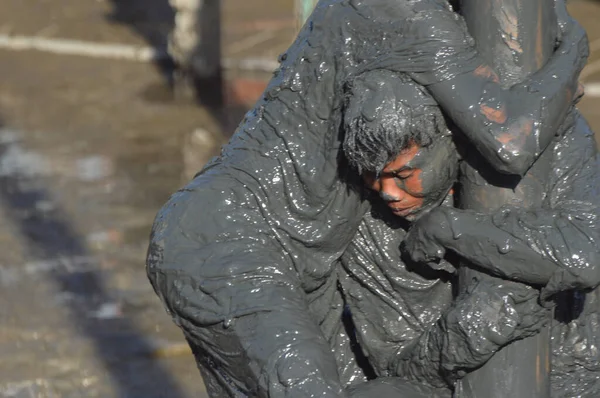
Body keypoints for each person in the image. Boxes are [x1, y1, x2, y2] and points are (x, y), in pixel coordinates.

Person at [146, 0, 589, 396]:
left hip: (300, 254)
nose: (392, 193)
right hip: (233, 236)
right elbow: (510, 141)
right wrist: (571, 53)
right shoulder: (406, 13)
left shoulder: (356, 19)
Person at [339, 69, 600, 396]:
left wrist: (449, 228)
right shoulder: (367, 225)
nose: (387, 191)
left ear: (450, 141)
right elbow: (396, 366)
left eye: (404, 174)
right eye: (373, 176)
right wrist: (466, 332)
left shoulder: (554, 138)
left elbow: (585, 254)